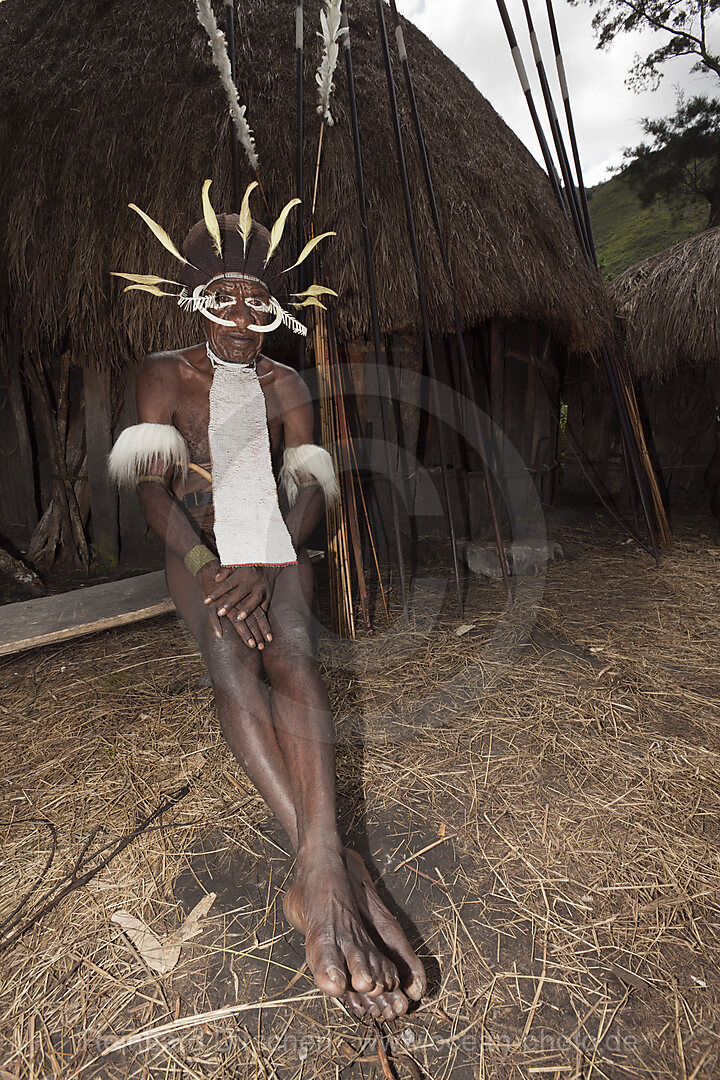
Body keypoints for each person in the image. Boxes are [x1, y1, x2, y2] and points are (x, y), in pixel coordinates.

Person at [109, 186, 426, 1021]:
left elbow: (312, 485)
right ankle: (333, 871)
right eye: (226, 303)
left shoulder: (285, 381)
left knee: (289, 648)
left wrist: (271, 551)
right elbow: (151, 492)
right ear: (197, 302)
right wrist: (214, 564)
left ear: (275, 313)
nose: (241, 321)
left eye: (257, 306)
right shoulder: (161, 376)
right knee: (233, 667)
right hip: (200, 544)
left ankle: (315, 872)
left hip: (278, 536)